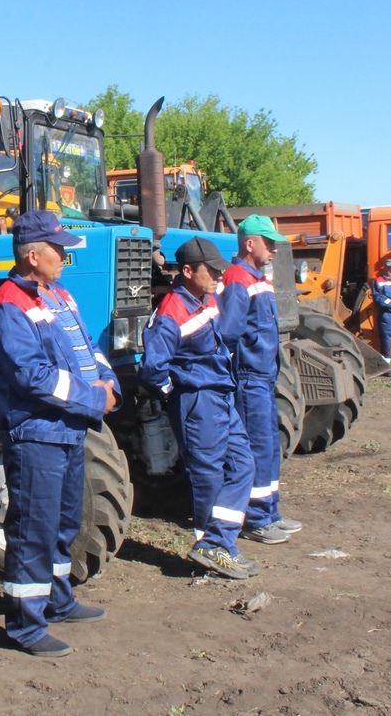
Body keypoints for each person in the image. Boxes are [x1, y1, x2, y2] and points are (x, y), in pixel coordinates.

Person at [0, 210, 120, 657]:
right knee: (33, 530)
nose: (65, 256)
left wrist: (110, 385)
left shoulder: (60, 294)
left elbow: (87, 349)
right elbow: (33, 376)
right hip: (37, 431)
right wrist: (93, 398)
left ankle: (58, 602)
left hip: (67, 429)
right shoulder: (10, 303)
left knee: (62, 523)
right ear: (32, 256)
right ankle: (25, 625)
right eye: (58, 249)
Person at [140, 237, 256, 580]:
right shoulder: (172, 311)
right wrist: (177, 393)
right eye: (213, 270)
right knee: (208, 478)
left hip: (220, 395)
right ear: (188, 271)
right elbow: (152, 368)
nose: (220, 275)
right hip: (199, 402)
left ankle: (218, 544)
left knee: (243, 465)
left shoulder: (205, 298)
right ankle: (214, 550)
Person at [218, 215, 302, 546]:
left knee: (268, 444)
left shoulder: (257, 278)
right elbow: (229, 332)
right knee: (255, 447)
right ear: (250, 243)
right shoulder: (238, 278)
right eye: (270, 243)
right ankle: (255, 519)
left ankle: (270, 511)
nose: (275, 250)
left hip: (263, 376)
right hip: (249, 376)